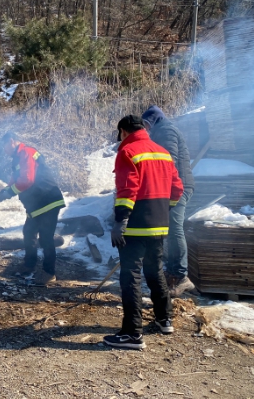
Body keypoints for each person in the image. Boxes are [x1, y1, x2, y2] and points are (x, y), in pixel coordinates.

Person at [104, 115, 184, 350]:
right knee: (155, 271)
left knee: (131, 276)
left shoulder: (128, 151)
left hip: (135, 226)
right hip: (159, 226)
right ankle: (164, 319)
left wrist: (120, 221)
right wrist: (162, 210)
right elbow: (177, 189)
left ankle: (132, 333)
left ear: (123, 131)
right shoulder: (163, 152)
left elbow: (127, 190)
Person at [0, 132, 65, 285]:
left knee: (46, 237)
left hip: (47, 200)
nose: (4, 150)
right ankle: (29, 264)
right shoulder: (18, 158)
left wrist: (10, 192)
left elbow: (27, 180)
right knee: (29, 232)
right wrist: (4, 192)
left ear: (11, 141)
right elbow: (16, 179)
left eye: (4, 146)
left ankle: (49, 273)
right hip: (36, 205)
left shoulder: (26, 152)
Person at [142, 106, 196, 297]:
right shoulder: (161, 131)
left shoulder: (165, 131)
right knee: (170, 230)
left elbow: (167, 161)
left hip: (176, 188)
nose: (145, 129)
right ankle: (172, 271)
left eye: (146, 124)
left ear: (153, 120)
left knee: (174, 229)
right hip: (171, 186)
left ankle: (180, 276)